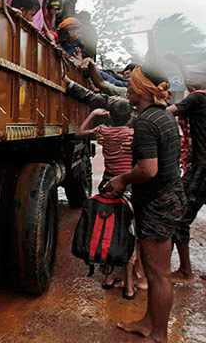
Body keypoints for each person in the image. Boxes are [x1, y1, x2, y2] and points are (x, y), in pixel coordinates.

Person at [103, 66, 185, 343]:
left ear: (141, 89)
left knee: (158, 274)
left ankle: (159, 334)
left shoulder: (146, 122)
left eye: (131, 83)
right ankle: (148, 322)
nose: (127, 87)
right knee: (153, 270)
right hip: (168, 197)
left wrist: (122, 179)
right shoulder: (161, 116)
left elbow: (148, 170)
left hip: (157, 203)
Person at [76, 99, 140, 299]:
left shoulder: (103, 131)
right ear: (129, 117)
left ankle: (109, 276)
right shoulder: (133, 134)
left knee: (111, 229)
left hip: (108, 182)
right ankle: (129, 285)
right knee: (129, 232)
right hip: (129, 183)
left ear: (109, 116)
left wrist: (94, 114)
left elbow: (79, 133)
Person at [168, 85, 206, 282]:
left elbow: (167, 114)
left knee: (179, 214)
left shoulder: (197, 99)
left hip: (202, 167)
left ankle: (185, 271)